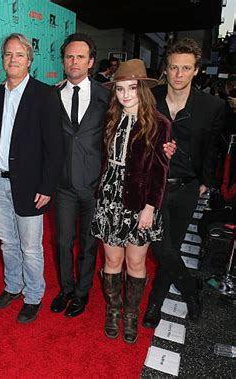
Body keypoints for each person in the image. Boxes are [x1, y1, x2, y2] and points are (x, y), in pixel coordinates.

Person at [142, 38, 226, 328]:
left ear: (196, 70)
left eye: (186, 68)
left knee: (172, 246)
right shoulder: (150, 97)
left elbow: (214, 147)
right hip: (155, 186)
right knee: (160, 247)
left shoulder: (212, 106)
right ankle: (191, 291)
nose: (178, 74)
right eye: (174, 67)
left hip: (188, 187)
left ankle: (155, 303)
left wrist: (206, 182)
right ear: (166, 68)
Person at [90, 59, 171, 343]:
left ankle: (131, 313)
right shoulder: (111, 118)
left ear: (143, 90)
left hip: (140, 201)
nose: (125, 94)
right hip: (109, 197)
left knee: (136, 263)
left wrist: (151, 207)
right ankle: (113, 310)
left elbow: (161, 170)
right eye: (120, 89)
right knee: (112, 259)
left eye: (132, 88)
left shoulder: (159, 124)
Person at [0, 33, 63, 323]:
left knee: (31, 246)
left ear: (29, 60)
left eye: (19, 55)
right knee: (7, 241)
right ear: (2, 59)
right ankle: (13, 286)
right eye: (8, 54)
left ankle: (33, 295)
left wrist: (47, 186)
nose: (13, 59)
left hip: (32, 186)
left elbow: (55, 147)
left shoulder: (45, 95)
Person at [51, 33, 110, 317]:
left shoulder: (107, 97)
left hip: (94, 185)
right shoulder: (51, 95)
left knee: (88, 243)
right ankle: (66, 288)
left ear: (91, 62)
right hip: (62, 185)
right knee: (62, 242)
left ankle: (82, 292)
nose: (74, 62)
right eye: (69, 57)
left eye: (80, 57)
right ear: (63, 61)